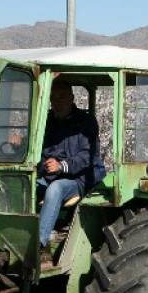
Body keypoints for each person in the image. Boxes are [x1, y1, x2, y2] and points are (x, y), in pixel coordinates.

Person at [37, 80, 103, 257]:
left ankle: (38, 245)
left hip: (79, 177)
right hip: (50, 174)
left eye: (62, 97)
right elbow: (40, 150)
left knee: (55, 189)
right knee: (22, 186)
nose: (57, 102)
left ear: (72, 98)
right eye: (53, 98)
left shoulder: (86, 122)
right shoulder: (46, 121)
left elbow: (87, 156)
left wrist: (62, 166)